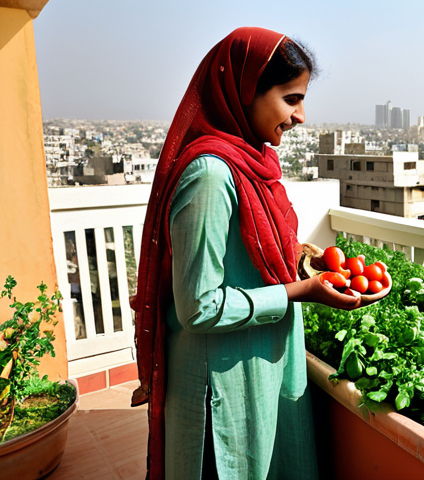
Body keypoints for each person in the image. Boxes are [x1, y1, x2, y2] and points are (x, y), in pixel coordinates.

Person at [130, 27, 365, 479]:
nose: (300, 116)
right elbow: (199, 306)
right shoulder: (210, 176)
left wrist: (295, 255)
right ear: (244, 91)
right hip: (221, 379)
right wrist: (299, 291)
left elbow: (246, 246)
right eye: (291, 98)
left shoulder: (254, 162)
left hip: (259, 363)